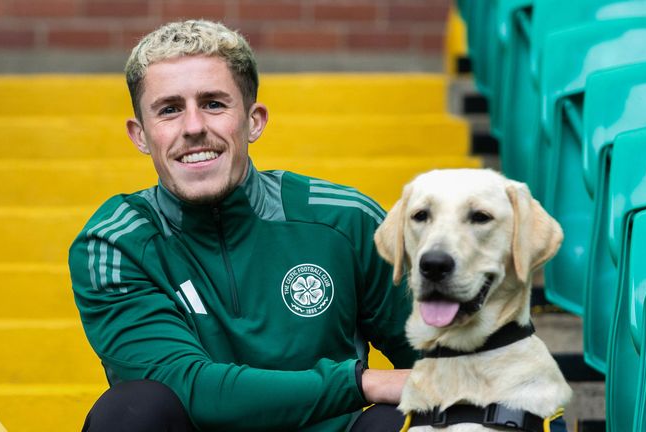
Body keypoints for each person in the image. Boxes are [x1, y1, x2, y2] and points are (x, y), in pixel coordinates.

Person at [68, 19, 416, 432]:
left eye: (214, 104)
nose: (194, 127)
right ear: (140, 134)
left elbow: (443, 359)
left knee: (398, 419)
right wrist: (361, 382)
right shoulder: (117, 242)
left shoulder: (345, 219)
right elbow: (188, 387)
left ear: (254, 121)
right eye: (170, 110)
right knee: (131, 410)